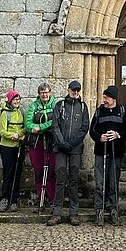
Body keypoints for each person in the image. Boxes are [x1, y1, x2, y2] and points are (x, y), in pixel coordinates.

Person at [47, 80, 90, 227]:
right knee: (60, 177)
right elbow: (55, 126)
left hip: (75, 148)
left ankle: (74, 212)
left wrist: (72, 143)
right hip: (61, 148)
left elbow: (84, 127)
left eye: (77, 90)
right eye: (73, 90)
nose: (75, 93)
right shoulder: (60, 105)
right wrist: (62, 143)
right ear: (69, 90)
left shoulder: (83, 107)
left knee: (74, 179)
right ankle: (57, 212)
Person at [89, 84, 126, 226]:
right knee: (100, 182)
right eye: (104, 97)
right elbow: (92, 130)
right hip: (101, 152)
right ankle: (99, 210)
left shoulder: (123, 111)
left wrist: (118, 135)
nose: (104, 100)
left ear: (114, 99)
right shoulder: (99, 111)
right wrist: (99, 137)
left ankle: (113, 209)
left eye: (107, 97)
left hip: (116, 153)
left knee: (113, 182)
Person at [25, 82, 57, 212]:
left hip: (51, 142)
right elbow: (28, 124)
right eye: (42, 93)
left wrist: (40, 127)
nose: (44, 95)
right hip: (37, 143)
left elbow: (55, 121)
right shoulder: (34, 106)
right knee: (38, 171)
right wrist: (35, 128)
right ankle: (40, 199)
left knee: (51, 172)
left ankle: (52, 200)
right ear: (39, 94)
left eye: (46, 92)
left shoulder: (56, 105)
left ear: (50, 92)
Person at [0, 89, 25, 212]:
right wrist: (12, 135)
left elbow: (25, 128)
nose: (17, 102)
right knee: (8, 173)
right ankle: (4, 199)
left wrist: (19, 134)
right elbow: (3, 132)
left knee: (17, 173)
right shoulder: (5, 114)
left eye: (18, 99)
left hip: (19, 146)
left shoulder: (22, 112)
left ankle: (14, 200)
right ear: (10, 100)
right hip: (7, 147)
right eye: (15, 99)